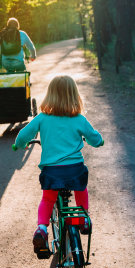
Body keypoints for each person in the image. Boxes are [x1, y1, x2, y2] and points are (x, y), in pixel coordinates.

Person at [13, 75, 104, 257]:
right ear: (74, 95)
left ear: (50, 95)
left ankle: (41, 229)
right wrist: (99, 142)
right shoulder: (79, 119)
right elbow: (94, 137)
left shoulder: (42, 119)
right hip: (74, 170)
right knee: (80, 188)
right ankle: (83, 218)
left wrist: (18, 145)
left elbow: (24, 135)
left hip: (52, 172)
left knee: (48, 199)